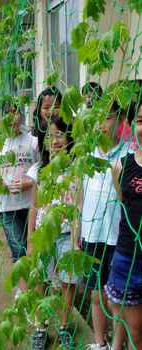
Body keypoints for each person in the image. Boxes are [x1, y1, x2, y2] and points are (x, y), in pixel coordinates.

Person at [27, 115, 78, 350]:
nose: (55, 140)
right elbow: (34, 206)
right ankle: (41, 327)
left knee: (68, 282)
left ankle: (64, 327)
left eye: (60, 134)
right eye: (50, 135)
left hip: (67, 235)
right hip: (43, 236)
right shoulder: (39, 170)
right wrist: (30, 239)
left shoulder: (75, 169)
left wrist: (77, 241)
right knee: (42, 283)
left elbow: (77, 208)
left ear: (69, 138)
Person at [80, 101, 127, 350]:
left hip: (118, 236)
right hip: (91, 235)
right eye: (97, 118)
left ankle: (117, 345)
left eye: (108, 118)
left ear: (120, 120)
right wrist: (78, 231)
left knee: (116, 300)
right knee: (95, 294)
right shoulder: (86, 154)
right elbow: (80, 194)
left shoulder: (128, 153)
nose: (101, 124)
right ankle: (99, 342)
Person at [105, 99, 142, 350]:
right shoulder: (120, 166)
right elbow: (124, 203)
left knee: (134, 331)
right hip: (128, 256)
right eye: (140, 121)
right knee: (130, 327)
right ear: (130, 124)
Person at [0, 103, 38, 287]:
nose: (13, 117)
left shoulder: (32, 141)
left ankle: (37, 288)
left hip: (31, 205)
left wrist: (29, 182)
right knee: (19, 252)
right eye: (8, 113)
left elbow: (41, 167)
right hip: (7, 207)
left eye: (16, 112)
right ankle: (24, 292)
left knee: (34, 251)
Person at [32, 86, 63, 167]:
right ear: (39, 110)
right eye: (46, 108)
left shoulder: (70, 132)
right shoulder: (32, 138)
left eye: (56, 107)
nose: (51, 111)